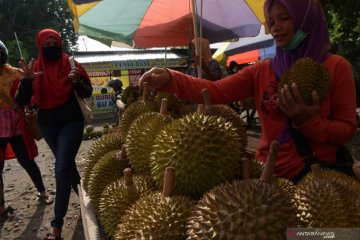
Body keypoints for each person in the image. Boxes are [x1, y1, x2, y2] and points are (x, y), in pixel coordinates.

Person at [139, 0, 357, 183]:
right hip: (266, 175)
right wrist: (171, 77)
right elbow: (214, 91)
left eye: (284, 18)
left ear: (305, 17)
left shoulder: (336, 67)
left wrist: (310, 122)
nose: (276, 28)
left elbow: (347, 129)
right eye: (271, 22)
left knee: (315, 236)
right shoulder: (263, 70)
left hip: (314, 177)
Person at [15, 29, 93, 240]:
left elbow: (88, 91)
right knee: (67, 165)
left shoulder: (71, 64)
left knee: (61, 168)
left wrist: (77, 80)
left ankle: (56, 224)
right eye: (46, 44)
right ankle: (88, 199)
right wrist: (28, 81)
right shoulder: (35, 69)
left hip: (71, 121)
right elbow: (21, 101)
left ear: (60, 44)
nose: (51, 47)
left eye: (54, 43)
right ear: (40, 46)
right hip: (48, 125)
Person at [0, 41, 54, 223]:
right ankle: (1, 205)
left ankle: (42, 191)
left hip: (16, 124)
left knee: (26, 160)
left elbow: (28, 95)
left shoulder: (16, 73)